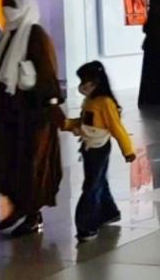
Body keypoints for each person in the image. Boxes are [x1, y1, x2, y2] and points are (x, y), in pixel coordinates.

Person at [0, 0, 64, 237]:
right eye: (4, 2)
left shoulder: (35, 35)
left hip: (31, 113)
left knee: (29, 164)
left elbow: (47, 72)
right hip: (6, 111)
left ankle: (32, 214)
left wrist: (51, 106)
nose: (7, 8)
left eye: (11, 3)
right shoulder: (7, 34)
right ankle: (19, 206)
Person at [63, 61, 136, 242]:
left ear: (96, 82)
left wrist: (128, 150)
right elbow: (83, 123)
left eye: (84, 81)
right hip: (89, 146)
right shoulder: (91, 101)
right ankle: (108, 212)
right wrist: (63, 123)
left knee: (92, 185)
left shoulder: (105, 103)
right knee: (99, 179)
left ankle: (85, 226)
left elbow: (117, 128)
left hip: (98, 147)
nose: (81, 86)